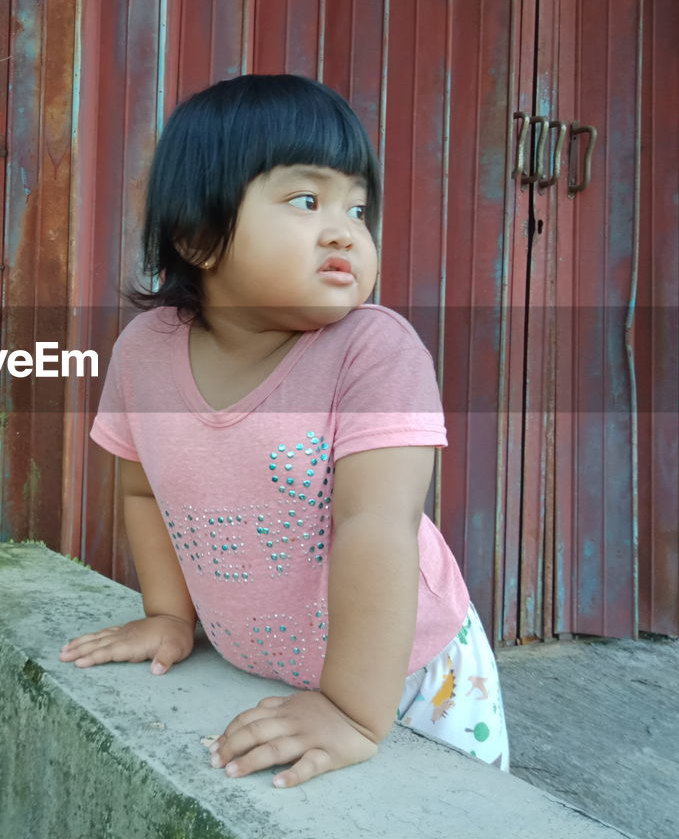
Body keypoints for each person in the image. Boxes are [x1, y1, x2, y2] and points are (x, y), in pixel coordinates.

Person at [58, 74, 509, 787]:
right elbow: (143, 492)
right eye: (307, 200)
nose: (344, 231)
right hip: (260, 668)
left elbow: (378, 527)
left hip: (411, 676)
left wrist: (353, 711)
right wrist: (170, 616)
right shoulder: (144, 353)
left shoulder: (374, 351)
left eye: (358, 209)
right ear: (201, 237)